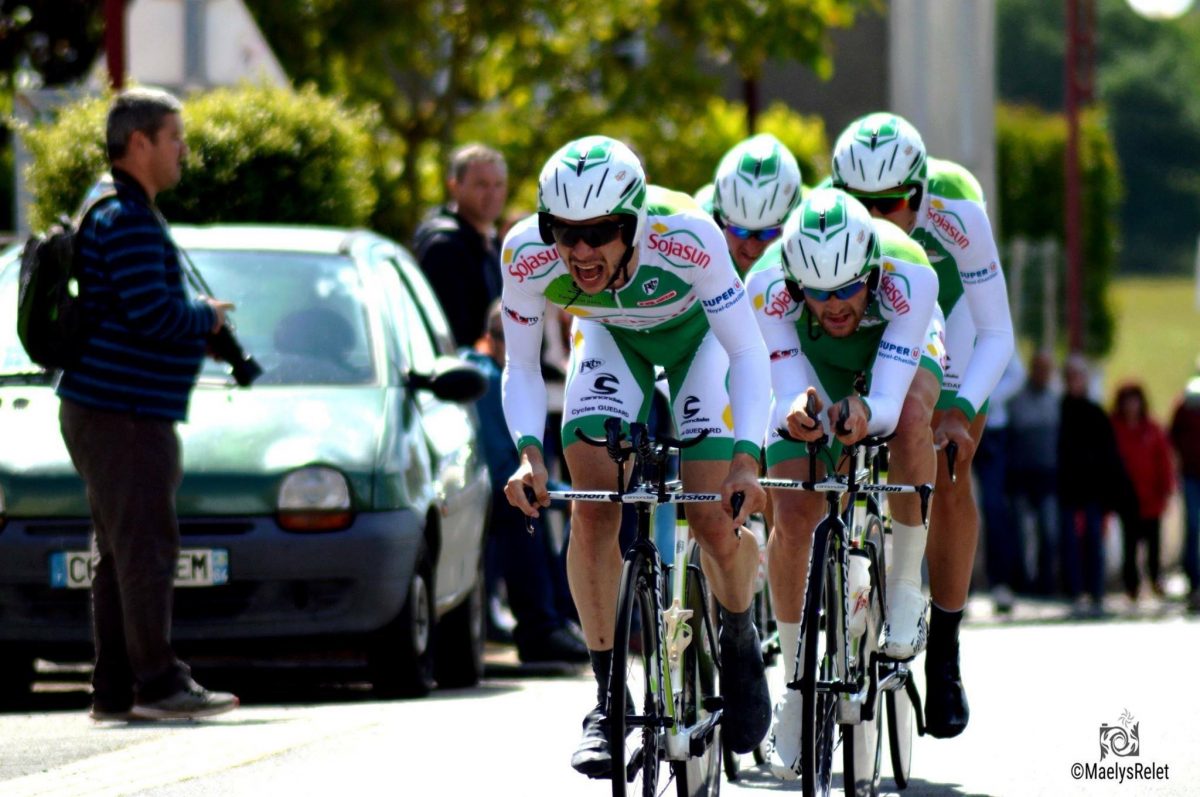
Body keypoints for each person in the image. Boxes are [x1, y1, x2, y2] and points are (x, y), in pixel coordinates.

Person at [500, 136, 772, 776]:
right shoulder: (525, 253)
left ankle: (736, 634)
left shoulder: (689, 237)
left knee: (710, 517)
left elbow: (749, 353)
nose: (580, 252)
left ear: (635, 222)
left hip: (699, 341)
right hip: (609, 339)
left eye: (600, 232)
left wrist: (746, 458)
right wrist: (526, 454)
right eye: (563, 232)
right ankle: (606, 702)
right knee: (593, 503)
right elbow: (517, 365)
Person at [747, 188, 943, 779]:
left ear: (872, 273)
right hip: (809, 362)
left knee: (909, 418)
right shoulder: (767, 286)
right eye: (818, 293)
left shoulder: (908, 272)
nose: (834, 306)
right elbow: (783, 391)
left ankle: (906, 585)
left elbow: (885, 398)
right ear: (793, 280)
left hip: (894, 355)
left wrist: (867, 413)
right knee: (793, 507)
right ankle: (798, 685)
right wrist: (799, 412)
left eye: (847, 290)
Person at [830, 111, 1015, 738]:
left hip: (951, 309)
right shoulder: (829, 217)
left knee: (946, 465)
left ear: (921, 190)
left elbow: (995, 330)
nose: (879, 218)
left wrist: (961, 412)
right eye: (862, 203)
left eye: (895, 203)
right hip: (870, 308)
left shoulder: (956, 206)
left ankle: (945, 645)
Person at [56, 87, 238, 721]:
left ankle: (116, 690)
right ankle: (159, 684)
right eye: (174, 138)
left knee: (121, 553)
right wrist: (206, 318)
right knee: (146, 549)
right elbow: (153, 312)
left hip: (112, 409)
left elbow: (139, 313)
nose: (183, 150)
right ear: (139, 144)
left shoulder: (118, 209)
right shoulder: (126, 218)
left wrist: (196, 330)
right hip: (123, 413)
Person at [461, 301, 588, 663]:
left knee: (586, 503)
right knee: (525, 504)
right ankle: (541, 628)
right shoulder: (483, 376)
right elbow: (503, 468)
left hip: (497, 486)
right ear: (493, 339)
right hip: (485, 491)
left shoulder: (506, 379)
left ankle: (564, 616)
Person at [413, 143, 508, 347]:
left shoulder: (492, 242)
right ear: (454, 187)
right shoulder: (444, 247)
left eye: (498, 184)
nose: (492, 194)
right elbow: (454, 331)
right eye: (481, 185)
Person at [1058, 355, 1125, 615]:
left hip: (1093, 490)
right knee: (1069, 543)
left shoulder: (1096, 413)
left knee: (1094, 540)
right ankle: (1074, 591)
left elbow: (1109, 456)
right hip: (1067, 489)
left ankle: (1096, 592)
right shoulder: (1060, 410)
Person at [1111, 382, 1175, 601]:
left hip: (1151, 498)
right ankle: (1132, 586)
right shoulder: (1115, 428)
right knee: (1129, 546)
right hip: (1127, 498)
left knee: (1153, 546)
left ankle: (1156, 579)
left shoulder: (1152, 429)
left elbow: (1164, 461)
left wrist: (1166, 489)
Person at [1007, 350, 1062, 597]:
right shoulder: (1016, 402)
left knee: (1049, 532)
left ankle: (1047, 582)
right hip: (1021, 475)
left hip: (1047, 476)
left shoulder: (1054, 402)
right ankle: (1022, 582)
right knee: (1019, 534)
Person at [975, 352, 1026, 613]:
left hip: (991, 429)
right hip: (950, 421)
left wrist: (980, 397)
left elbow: (1016, 374)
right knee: (953, 503)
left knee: (994, 507)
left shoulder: (989, 314)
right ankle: (959, 587)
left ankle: (1000, 583)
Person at [711, 133, 803, 276]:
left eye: (767, 233)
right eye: (739, 230)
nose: (752, 249)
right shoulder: (698, 235)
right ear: (719, 221)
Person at [1169, 365, 1200, 611]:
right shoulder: (1186, 403)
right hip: (1191, 475)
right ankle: (1194, 582)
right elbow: (1172, 437)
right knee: (1192, 527)